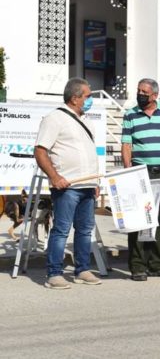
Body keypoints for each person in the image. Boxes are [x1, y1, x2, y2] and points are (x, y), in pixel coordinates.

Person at [34, 77, 101, 289]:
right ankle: (54, 273)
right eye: (88, 96)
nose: (91, 100)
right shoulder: (54, 118)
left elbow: (89, 155)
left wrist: (95, 181)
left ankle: (82, 269)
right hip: (67, 186)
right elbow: (40, 151)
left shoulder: (86, 121)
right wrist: (54, 177)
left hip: (87, 186)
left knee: (84, 230)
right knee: (61, 230)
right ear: (75, 98)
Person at [121, 78, 160, 281]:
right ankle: (137, 266)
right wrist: (128, 168)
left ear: (154, 95)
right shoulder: (130, 114)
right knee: (138, 219)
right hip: (140, 172)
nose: (140, 94)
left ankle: (157, 263)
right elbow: (126, 144)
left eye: (144, 92)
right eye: (138, 90)